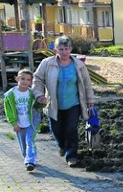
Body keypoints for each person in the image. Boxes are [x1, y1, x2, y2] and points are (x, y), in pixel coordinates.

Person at [33, 35, 96, 167]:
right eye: (61, 49)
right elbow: (37, 79)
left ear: (71, 49)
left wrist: (90, 99)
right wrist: (39, 95)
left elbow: (87, 83)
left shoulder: (78, 65)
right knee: (56, 129)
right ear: (55, 50)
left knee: (71, 129)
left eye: (66, 49)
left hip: (73, 103)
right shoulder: (47, 63)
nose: (64, 52)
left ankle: (71, 155)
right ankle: (62, 145)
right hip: (53, 103)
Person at [4, 69, 42, 171]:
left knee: (30, 141)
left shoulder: (32, 94)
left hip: (31, 123)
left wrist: (43, 101)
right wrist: (13, 123)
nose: (25, 81)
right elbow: (8, 111)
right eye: (23, 79)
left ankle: (30, 161)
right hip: (19, 124)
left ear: (31, 82)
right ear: (17, 79)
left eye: (28, 80)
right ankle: (28, 157)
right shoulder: (10, 95)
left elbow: (39, 106)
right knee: (23, 145)